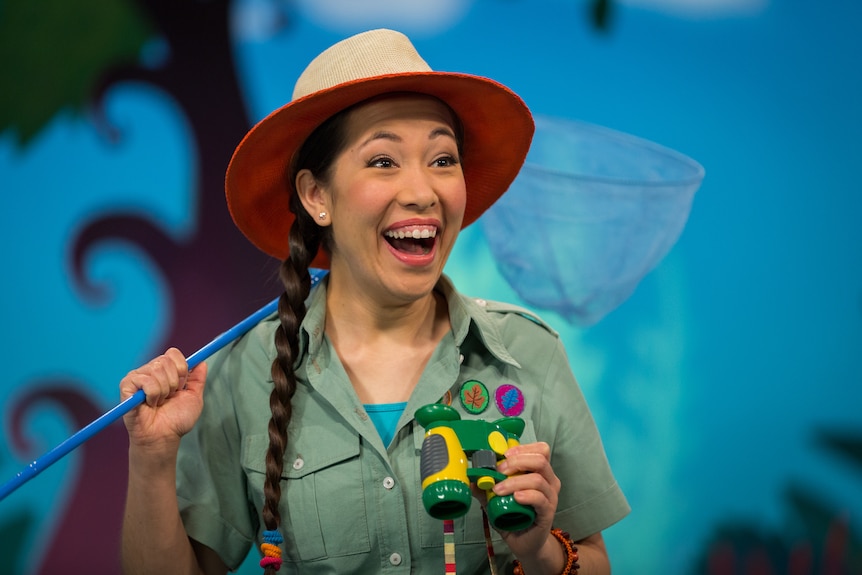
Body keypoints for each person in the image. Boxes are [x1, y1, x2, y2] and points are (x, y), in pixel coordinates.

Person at [119, 28, 630, 575]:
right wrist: (151, 459)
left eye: (442, 159)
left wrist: (539, 549)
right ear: (317, 196)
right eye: (384, 162)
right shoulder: (243, 370)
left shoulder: (529, 350)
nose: (422, 192)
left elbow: (593, 559)